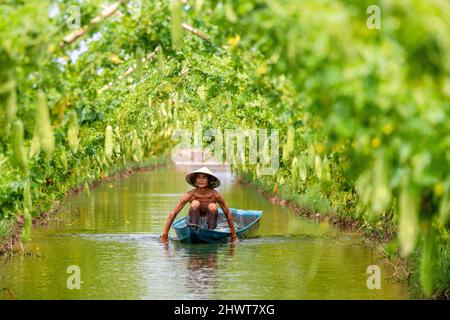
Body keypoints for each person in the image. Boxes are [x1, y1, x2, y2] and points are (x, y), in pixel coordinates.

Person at [160, 167, 238, 243]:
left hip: (210, 222)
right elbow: (174, 213)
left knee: (212, 206)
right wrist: (165, 234)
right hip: (193, 221)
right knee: (195, 203)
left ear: (209, 180)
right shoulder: (190, 195)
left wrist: (233, 235)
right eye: (198, 177)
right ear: (195, 180)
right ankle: (194, 230)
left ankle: (210, 233)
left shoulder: (215, 195)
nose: (201, 180)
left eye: (204, 177)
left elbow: (227, 213)